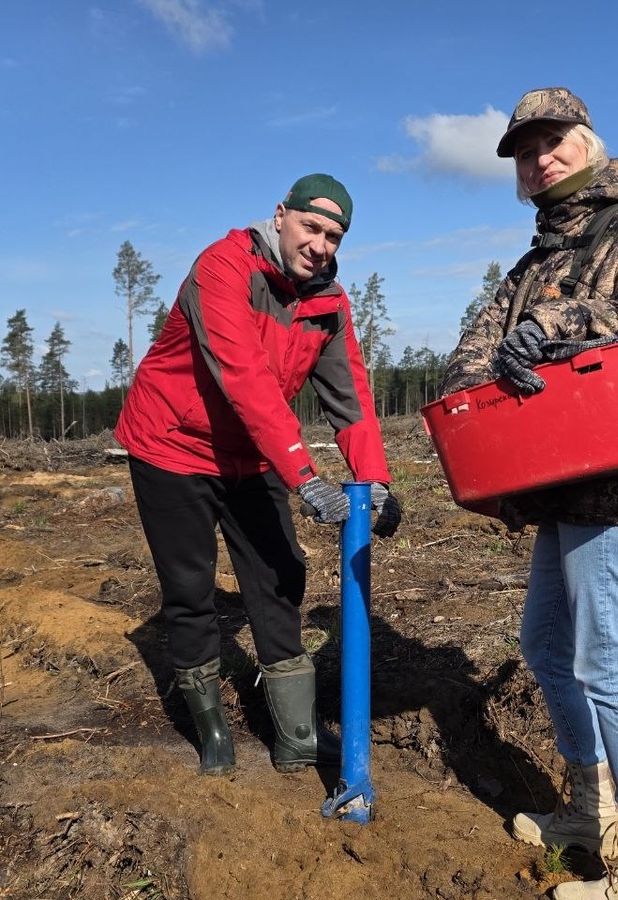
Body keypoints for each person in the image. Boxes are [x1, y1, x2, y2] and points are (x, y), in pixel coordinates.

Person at [440, 88, 618, 900]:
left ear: (588, 142)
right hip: (557, 486)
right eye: (525, 151)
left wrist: (561, 327)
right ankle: (592, 812)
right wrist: (490, 369)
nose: (539, 159)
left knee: (608, 663)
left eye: (552, 141)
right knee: (549, 648)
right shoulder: (531, 266)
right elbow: (470, 351)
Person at [115, 173, 402, 777]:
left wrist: (375, 478)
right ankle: (212, 731)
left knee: (280, 573)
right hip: (173, 445)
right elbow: (243, 377)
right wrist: (306, 477)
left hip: (252, 451)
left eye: (333, 236)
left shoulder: (328, 301)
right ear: (280, 216)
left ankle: (296, 734)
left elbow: (350, 399)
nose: (319, 245)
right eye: (310, 227)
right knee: (190, 587)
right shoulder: (222, 268)